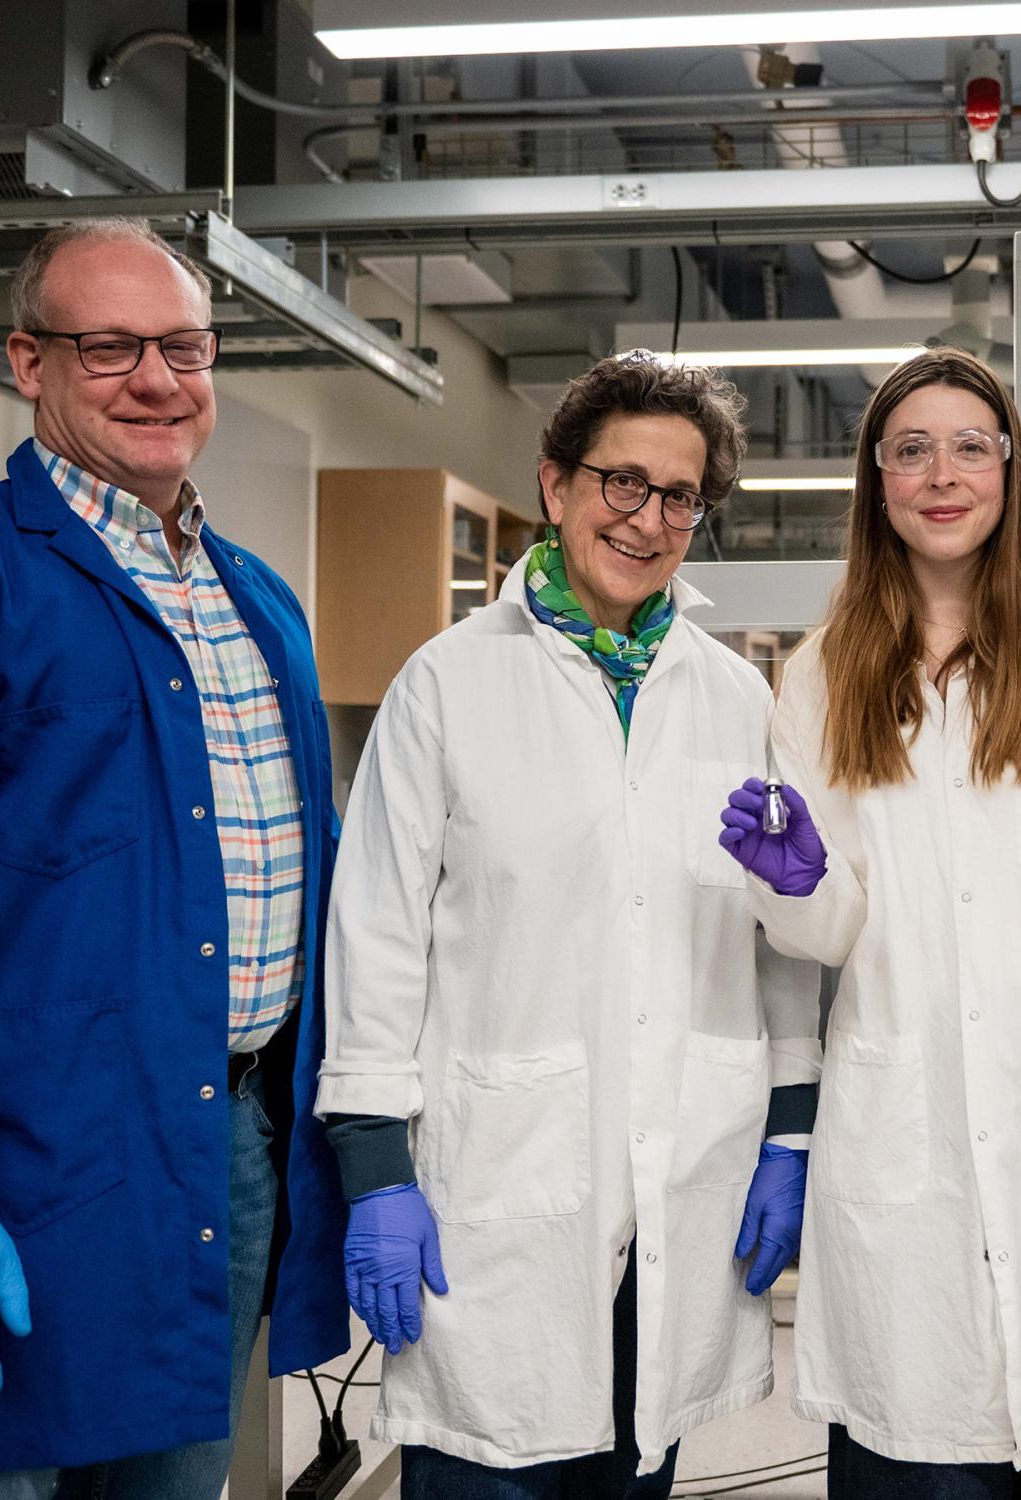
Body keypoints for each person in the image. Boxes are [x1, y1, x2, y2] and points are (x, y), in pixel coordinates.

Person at [0, 218, 348, 1496]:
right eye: (108, 348)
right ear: (27, 363)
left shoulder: (259, 602)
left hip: (228, 1144)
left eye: (183, 347)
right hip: (17, 1163)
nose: (155, 379)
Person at [315, 351, 821, 1499]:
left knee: (640, 1463)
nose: (646, 519)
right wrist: (375, 1168)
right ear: (555, 485)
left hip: (684, 1180)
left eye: (679, 496)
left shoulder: (736, 697)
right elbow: (375, 937)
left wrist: (788, 1134)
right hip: (503, 1189)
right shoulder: (446, 685)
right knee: (492, 1468)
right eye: (621, 482)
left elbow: (774, 939)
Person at [718, 346, 1021, 1497]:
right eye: (911, 450)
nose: (942, 474)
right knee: (916, 1442)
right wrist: (793, 884)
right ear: (875, 481)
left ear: (1010, 474)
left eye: (971, 447)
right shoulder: (823, 675)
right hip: (903, 1159)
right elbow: (823, 940)